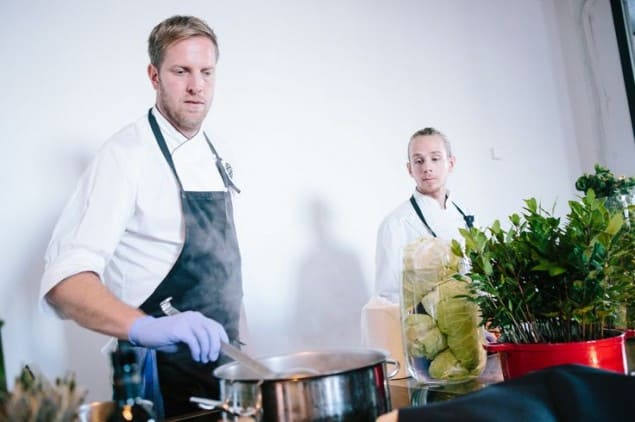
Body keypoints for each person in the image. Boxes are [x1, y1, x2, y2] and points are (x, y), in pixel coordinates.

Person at [38, 15, 245, 418]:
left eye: (206, 72)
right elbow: (64, 280)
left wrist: (244, 349)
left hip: (224, 363)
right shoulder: (124, 156)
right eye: (181, 71)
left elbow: (224, 268)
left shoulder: (219, 154)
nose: (196, 86)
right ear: (154, 75)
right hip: (157, 373)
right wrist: (145, 328)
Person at [374, 127, 474, 303]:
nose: (427, 168)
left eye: (435, 159)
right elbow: (388, 297)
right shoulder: (396, 224)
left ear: (451, 163)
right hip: (424, 327)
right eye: (419, 161)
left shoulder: (467, 217)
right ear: (410, 169)